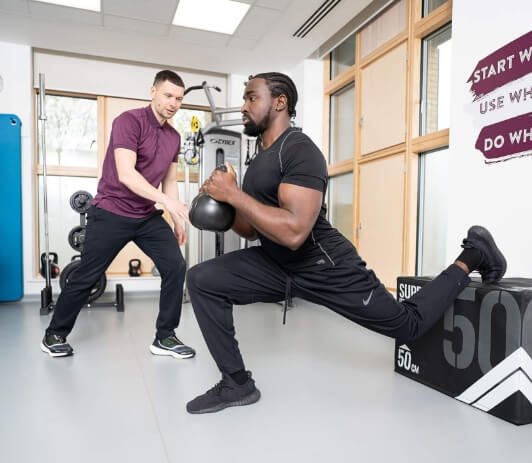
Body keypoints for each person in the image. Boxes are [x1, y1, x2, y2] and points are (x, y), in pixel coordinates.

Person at [185, 72, 506, 415]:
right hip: (278, 264)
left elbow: (295, 232)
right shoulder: (259, 159)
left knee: (406, 325)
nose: (244, 106)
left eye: (252, 98)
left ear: (280, 102)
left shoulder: (299, 151)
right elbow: (251, 230)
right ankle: (237, 383)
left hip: (324, 264)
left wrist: (233, 194)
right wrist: (228, 204)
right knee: (203, 279)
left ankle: (472, 253)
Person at [41, 70, 195, 359]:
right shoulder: (129, 121)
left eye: (179, 98)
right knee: (88, 274)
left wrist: (176, 218)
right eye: (168, 95)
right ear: (153, 91)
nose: (174, 103)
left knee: (175, 266)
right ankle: (54, 334)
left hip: (146, 215)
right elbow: (126, 174)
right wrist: (167, 203)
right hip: (111, 211)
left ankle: (165, 336)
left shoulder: (174, 136)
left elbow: (170, 181)